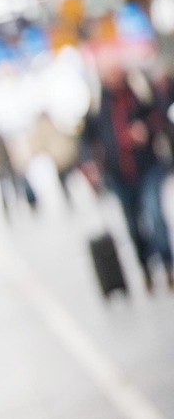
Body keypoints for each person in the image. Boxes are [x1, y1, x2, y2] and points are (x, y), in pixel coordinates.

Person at [81, 60, 174, 291]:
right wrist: (89, 163)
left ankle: (168, 263)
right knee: (133, 225)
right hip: (118, 174)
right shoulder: (97, 103)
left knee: (155, 216)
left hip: (148, 167)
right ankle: (145, 268)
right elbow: (86, 138)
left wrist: (145, 129)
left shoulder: (140, 92)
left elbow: (160, 115)